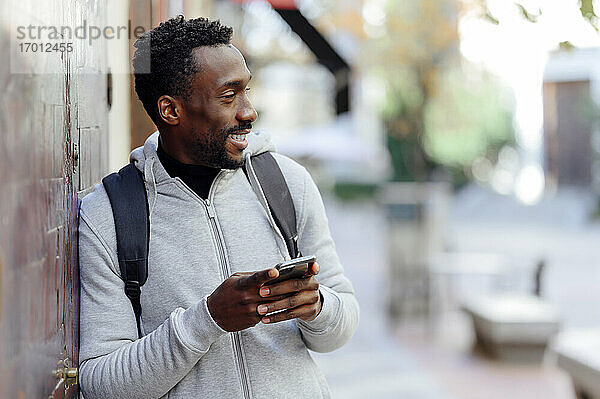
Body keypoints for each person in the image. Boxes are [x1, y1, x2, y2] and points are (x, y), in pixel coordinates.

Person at [78, 15, 359, 399]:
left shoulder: (287, 182)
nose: (249, 112)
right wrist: (207, 319)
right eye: (229, 96)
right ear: (170, 110)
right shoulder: (107, 215)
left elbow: (341, 322)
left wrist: (318, 306)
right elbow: (101, 383)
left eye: (247, 91)